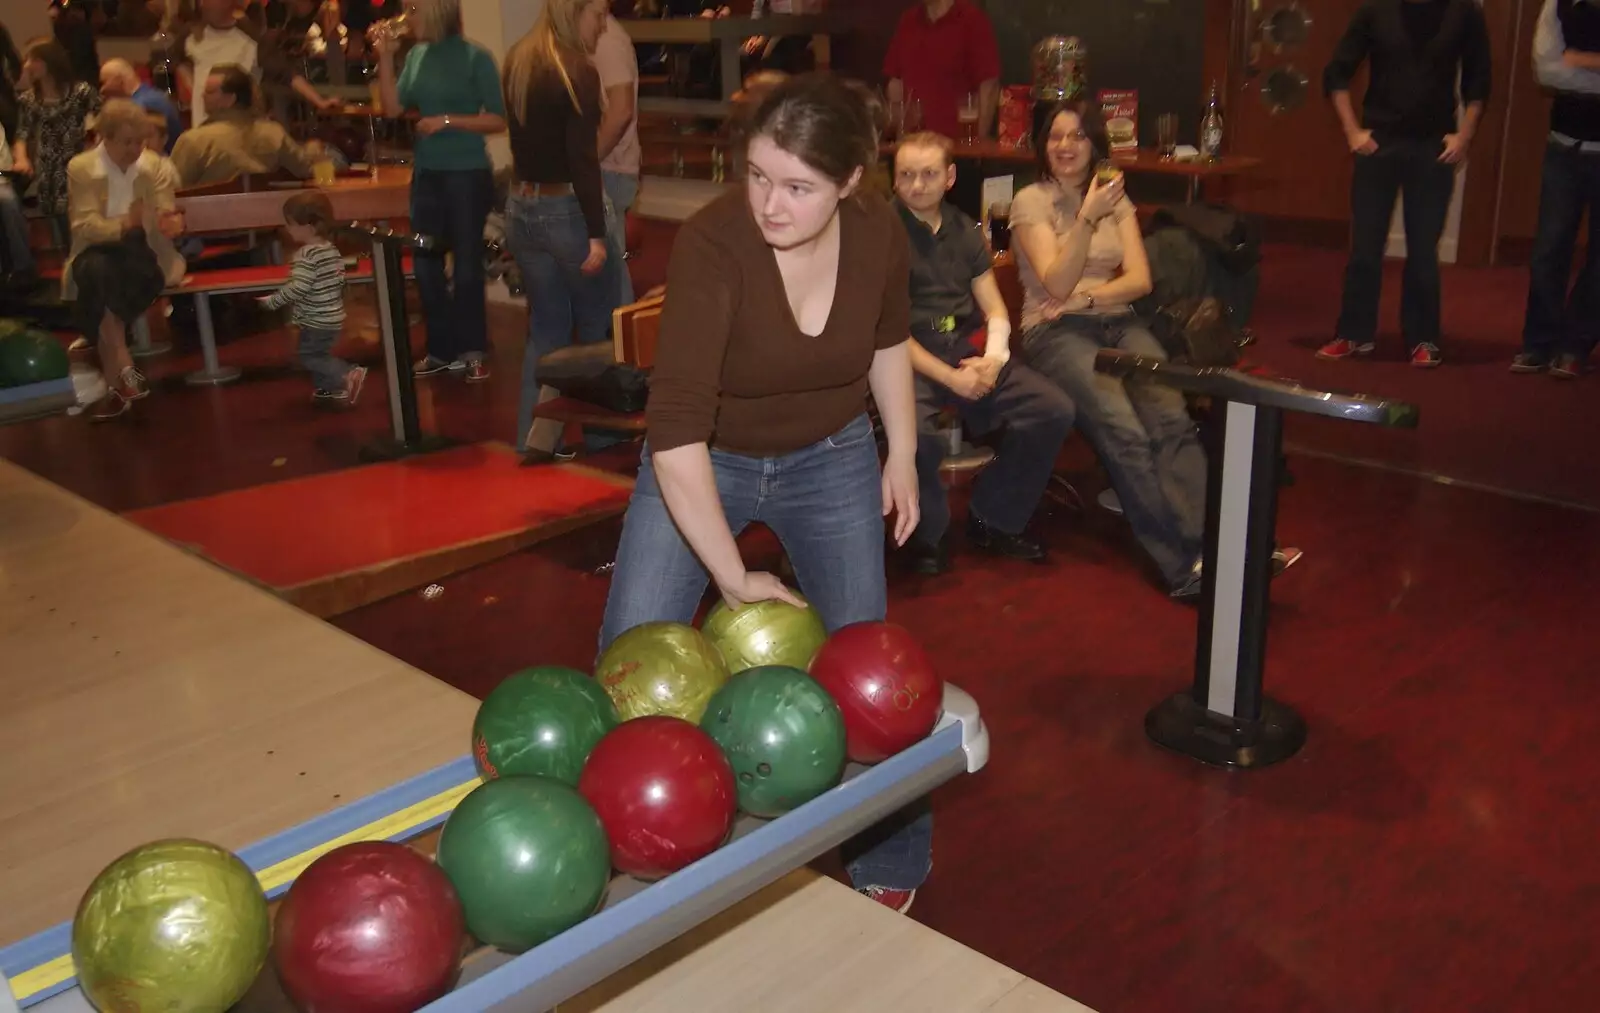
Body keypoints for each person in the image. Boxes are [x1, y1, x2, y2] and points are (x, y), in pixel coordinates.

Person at [599, 73, 931, 912]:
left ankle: (887, 851)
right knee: (632, 662)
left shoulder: (877, 228)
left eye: (797, 187)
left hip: (832, 454)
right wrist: (735, 576)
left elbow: (890, 340)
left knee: (867, 666)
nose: (768, 204)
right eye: (755, 174)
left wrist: (904, 452)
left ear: (851, 180)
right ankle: (619, 846)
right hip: (707, 460)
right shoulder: (715, 243)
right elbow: (674, 436)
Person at [1011, 101, 1209, 597]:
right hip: (1055, 333)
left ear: (1095, 144)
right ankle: (1184, 566)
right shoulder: (1031, 201)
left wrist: (1088, 296)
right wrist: (1085, 219)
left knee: (1172, 417)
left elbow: (1140, 282)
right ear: (1043, 146)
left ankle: (1215, 546)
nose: (1065, 146)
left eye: (1077, 136)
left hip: (1117, 321)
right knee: (1124, 429)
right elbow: (1054, 282)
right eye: (1055, 137)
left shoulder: (1115, 196)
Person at [891, 131, 1074, 574]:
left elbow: (994, 307)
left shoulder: (964, 230)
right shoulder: (882, 233)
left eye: (929, 174)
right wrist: (953, 379)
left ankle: (995, 516)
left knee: (1053, 409)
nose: (917, 185)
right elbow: (887, 334)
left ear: (950, 177)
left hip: (967, 349)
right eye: (906, 175)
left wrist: (992, 362)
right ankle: (924, 534)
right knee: (917, 435)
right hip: (908, 356)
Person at [1319, 0, 1491, 369]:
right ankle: (1354, 333)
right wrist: (1352, 131)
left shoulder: (1464, 13)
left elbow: (1479, 81)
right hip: (1378, 143)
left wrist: (1465, 136)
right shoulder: (1376, 10)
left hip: (1433, 148)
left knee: (1423, 251)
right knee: (1365, 247)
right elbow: (1336, 73)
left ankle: (1423, 337)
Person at [501, 0, 612, 457]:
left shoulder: (519, 61)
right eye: (599, 12)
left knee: (545, 333)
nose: (604, 22)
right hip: (566, 211)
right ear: (576, 11)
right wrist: (598, 232)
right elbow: (582, 163)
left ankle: (535, 441)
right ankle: (607, 441)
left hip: (521, 207)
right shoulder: (576, 72)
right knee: (598, 332)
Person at [375, 0, 506, 383]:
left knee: (466, 264)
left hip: (466, 171)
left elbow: (498, 117)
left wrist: (449, 120)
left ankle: (473, 349)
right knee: (425, 263)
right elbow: (392, 108)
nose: (407, 17)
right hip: (428, 172)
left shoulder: (474, 57)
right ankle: (440, 349)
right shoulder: (416, 55)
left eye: (413, 8)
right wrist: (384, 58)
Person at [63, 99, 186, 421]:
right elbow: (84, 226)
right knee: (97, 270)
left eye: (140, 141)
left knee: (99, 278)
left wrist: (168, 221)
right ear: (106, 137)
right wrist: (122, 224)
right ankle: (124, 367)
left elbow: (164, 207)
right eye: (127, 142)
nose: (135, 149)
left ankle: (116, 377)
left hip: (143, 256)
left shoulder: (152, 166)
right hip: (95, 253)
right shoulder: (82, 167)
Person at [1513, 0, 1600, 379]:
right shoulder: (1559, 4)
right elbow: (1546, 70)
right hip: (1563, 146)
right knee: (1549, 249)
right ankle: (1538, 344)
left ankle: (1575, 346)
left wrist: (1579, 59)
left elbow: (1563, 67)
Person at [257, 190, 366, 405]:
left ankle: (347, 373)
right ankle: (328, 389)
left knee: (310, 356)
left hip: (316, 319)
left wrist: (273, 301)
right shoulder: (330, 250)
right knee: (320, 353)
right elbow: (339, 279)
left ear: (308, 227)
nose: (287, 229)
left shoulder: (305, 255)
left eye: (290, 224)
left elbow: (298, 287)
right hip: (332, 316)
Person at [11, 37, 100, 247]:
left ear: (48, 61)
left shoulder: (81, 93)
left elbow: (105, 120)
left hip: (80, 164)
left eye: (32, 59)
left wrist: (95, 146)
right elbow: (22, 134)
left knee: (86, 223)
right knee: (61, 230)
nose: (27, 66)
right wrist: (22, 159)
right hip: (49, 170)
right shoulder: (29, 100)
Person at [169, 64, 322, 185]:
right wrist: (312, 151)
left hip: (208, 221)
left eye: (209, 91)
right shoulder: (273, 133)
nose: (202, 95)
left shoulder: (193, 141)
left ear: (230, 99)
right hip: (265, 218)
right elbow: (306, 169)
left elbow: (171, 190)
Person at [882, 0, 999, 139]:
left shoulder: (972, 20)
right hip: (910, 145)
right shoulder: (908, 20)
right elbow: (895, 82)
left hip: (955, 148)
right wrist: (896, 130)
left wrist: (977, 144)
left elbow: (989, 86)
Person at [592, 8, 639, 307]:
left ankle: (622, 348)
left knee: (609, 272)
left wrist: (585, 160)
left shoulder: (606, 39)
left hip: (609, 167)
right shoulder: (598, 36)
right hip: (604, 166)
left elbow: (621, 110)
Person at [183, 0, 259, 128]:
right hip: (201, 126)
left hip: (239, 127)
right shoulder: (190, 38)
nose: (202, 4)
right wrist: (187, 81)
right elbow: (171, 58)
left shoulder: (250, 41)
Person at [99, 58, 184, 154]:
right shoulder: (153, 95)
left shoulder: (138, 107)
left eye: (104, 82)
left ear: (119, 80)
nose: (102, 90)